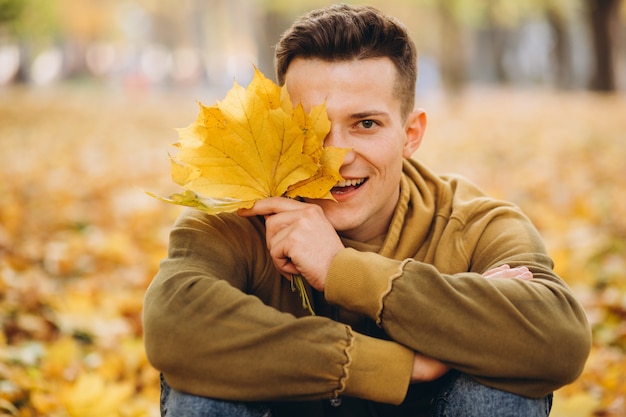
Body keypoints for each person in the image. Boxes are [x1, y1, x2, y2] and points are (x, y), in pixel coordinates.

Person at [143, 4, 591, 417]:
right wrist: (400, 365)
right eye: (311, 126)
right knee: (202, 384)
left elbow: (559, 338)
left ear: (411, 133)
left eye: (366, 124)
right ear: (281, 126)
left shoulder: (473, 223)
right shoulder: (237, 217)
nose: (337, 156)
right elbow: (174, 325)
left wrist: (341, 269)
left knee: (505, 381)